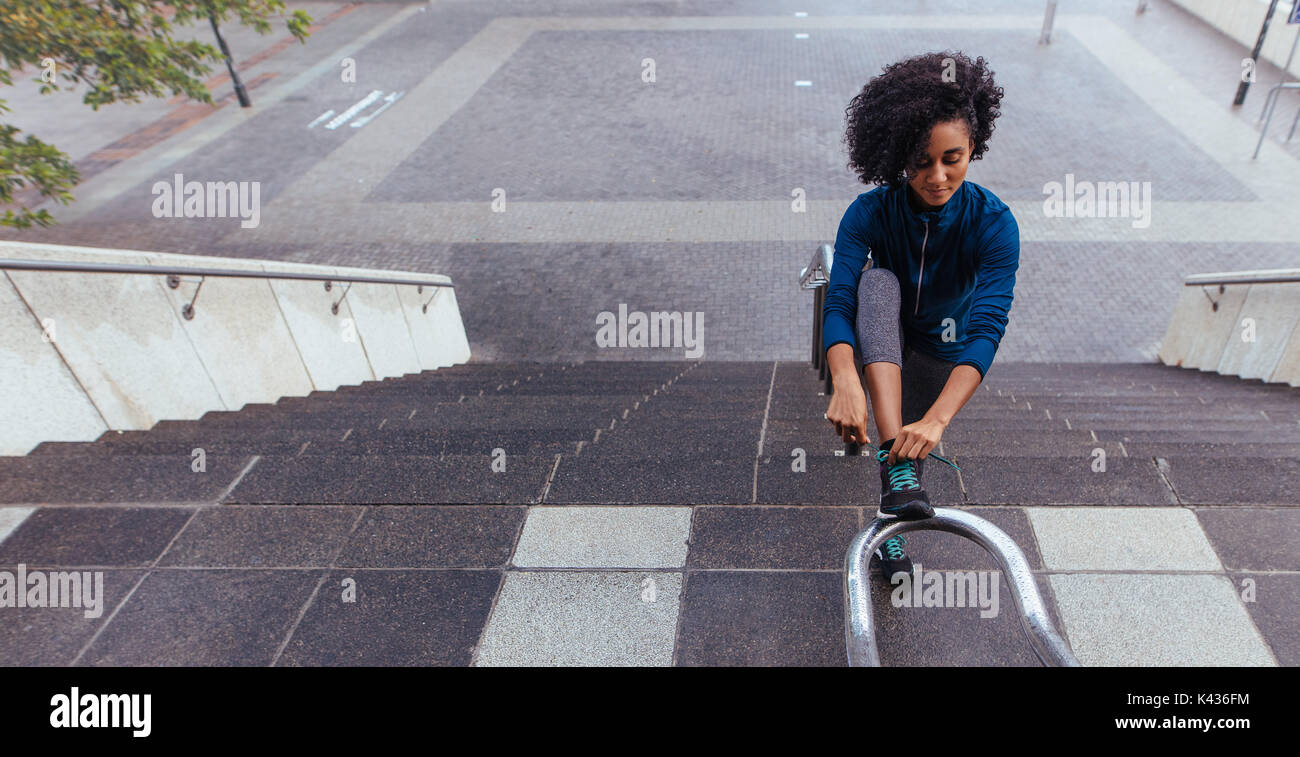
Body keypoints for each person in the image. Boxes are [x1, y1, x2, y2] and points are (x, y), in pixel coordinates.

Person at [823, 51, 1019, 582]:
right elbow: (841, 298)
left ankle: (897, 503)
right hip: (882, 334)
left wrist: (938, 419)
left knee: (912, 443)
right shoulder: (870, 212)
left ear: (973, 147)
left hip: (943, 345)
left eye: (951, 158)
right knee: (877, 283)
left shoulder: (994, 224)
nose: (936, 177)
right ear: (897, 157)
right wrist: (844, 377)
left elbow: (986, 328)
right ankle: (895, 493)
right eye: (920, 162)